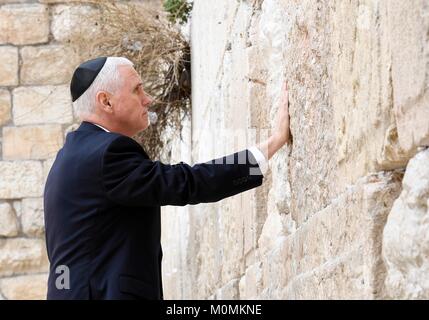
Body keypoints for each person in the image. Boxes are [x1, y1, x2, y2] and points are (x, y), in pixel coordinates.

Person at [43, 56, 290, 300]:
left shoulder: (67, 160)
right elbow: (187, 183)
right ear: (106, 101)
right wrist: (271, 145)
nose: (147, 99)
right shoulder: (107, 154)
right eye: (137, 90)